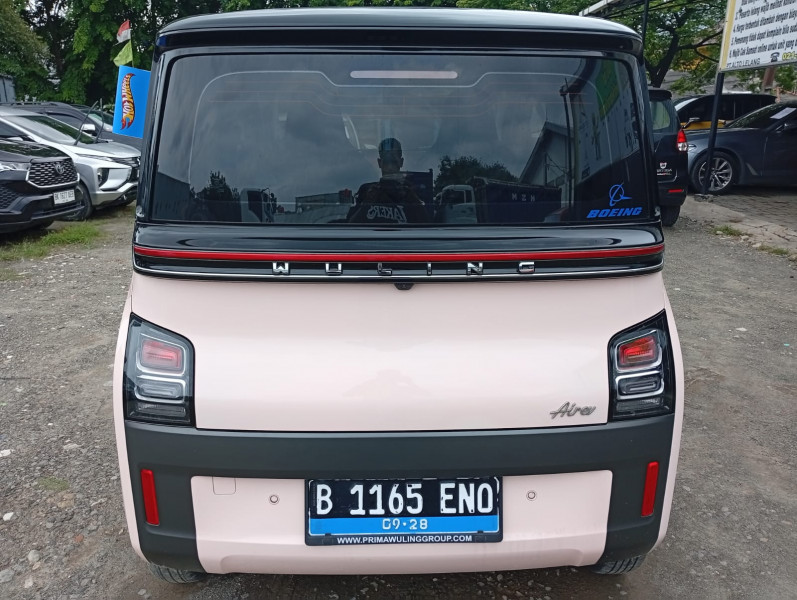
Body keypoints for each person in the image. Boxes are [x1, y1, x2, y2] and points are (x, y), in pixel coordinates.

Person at [347, 138, 429, 224]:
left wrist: (411, 197)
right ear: (379, 163)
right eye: (386, 162)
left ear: (401, 162)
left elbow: (427, 225)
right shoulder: (366, 190)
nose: (390, 167)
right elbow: (351, 225)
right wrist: (367, 202)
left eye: (393, 162)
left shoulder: (410, 192)